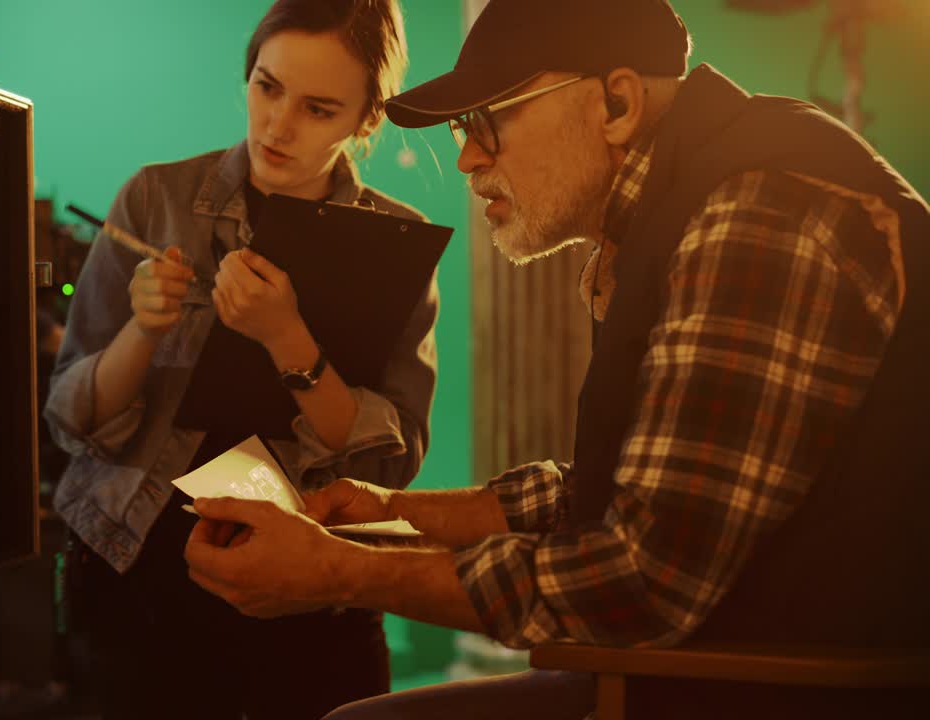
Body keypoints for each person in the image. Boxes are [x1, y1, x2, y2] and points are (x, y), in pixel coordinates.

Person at [184, 1, 930, 718]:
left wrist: (337, 569)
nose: (469, 157)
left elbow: (644, 580)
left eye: (487, 121)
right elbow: (633, 491)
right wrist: (394, 510)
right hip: (694, 674)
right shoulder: (684, 213)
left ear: (616, 104)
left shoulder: (761, 220)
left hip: (775, 693)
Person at [44, 0, 438, 717]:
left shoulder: (396, 247)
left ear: (366, 119)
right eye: (266, 86)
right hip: (137, 577)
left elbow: (394, 461)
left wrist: (288, 338)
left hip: (308, 602)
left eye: (319, 109)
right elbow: (68, 422)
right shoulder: (155, 199)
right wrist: (143, 329)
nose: (277, 126)